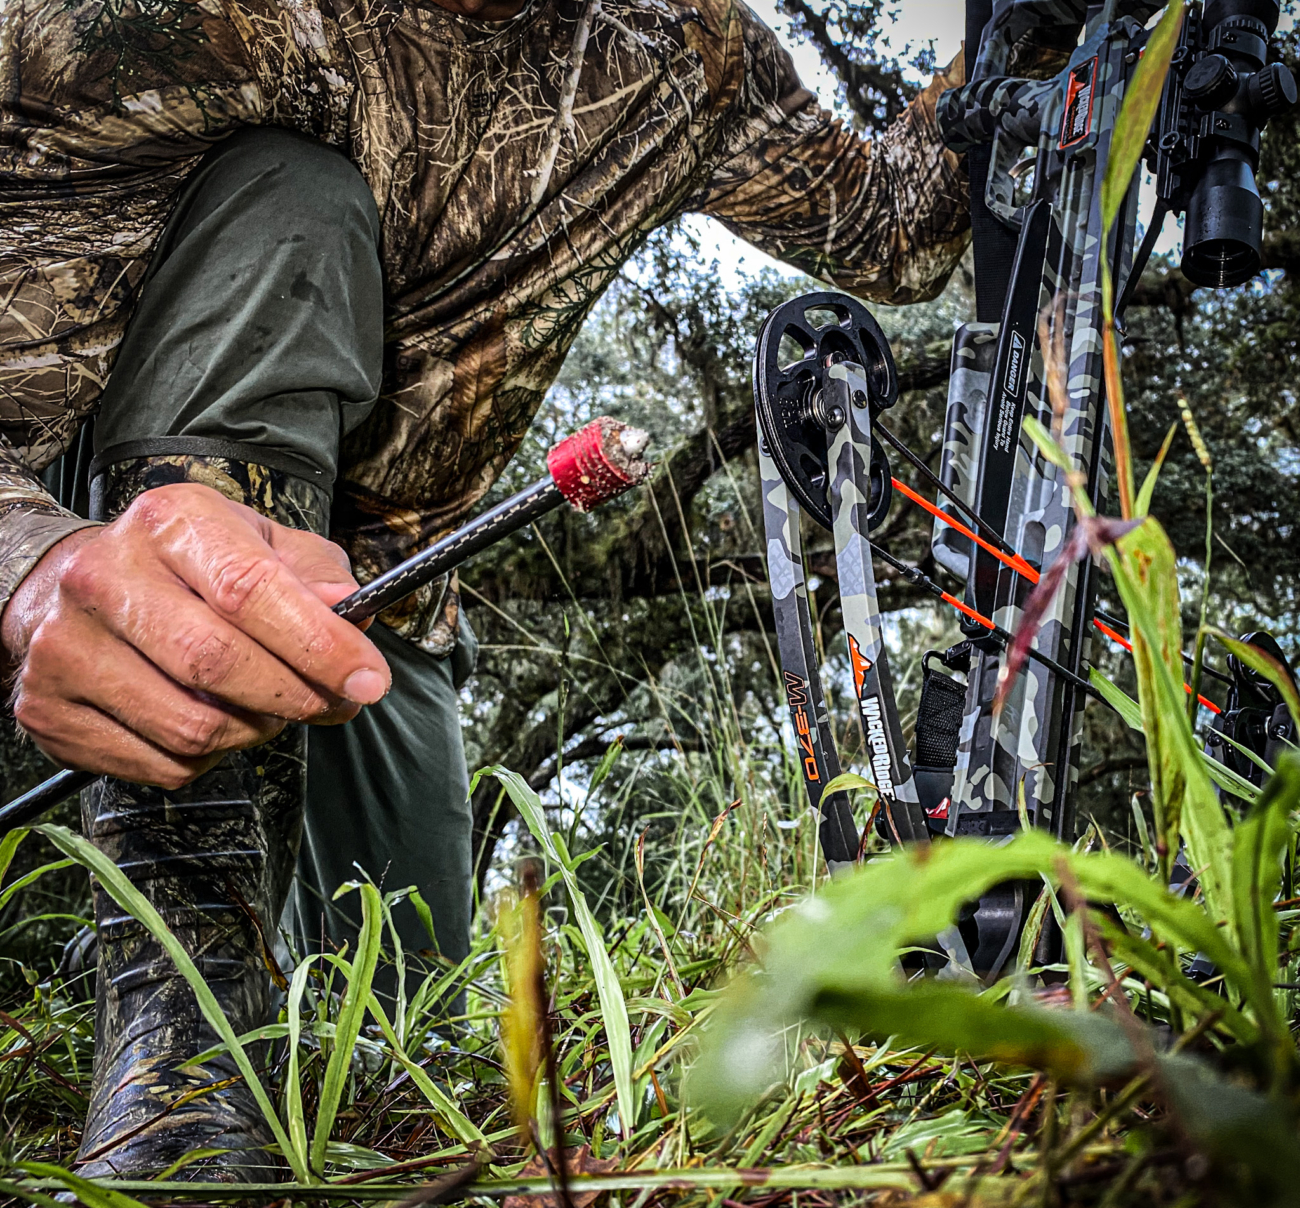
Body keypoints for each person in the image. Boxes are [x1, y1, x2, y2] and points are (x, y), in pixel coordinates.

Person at [0, 0, 971, 1181]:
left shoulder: (679, 50)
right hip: (93, 523)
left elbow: (900, 235)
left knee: (405, 1044)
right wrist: (32, 562)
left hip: (395, 590)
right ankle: (182, 1048)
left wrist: (1022, 38)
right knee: (291, 197)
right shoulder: (156, 23)